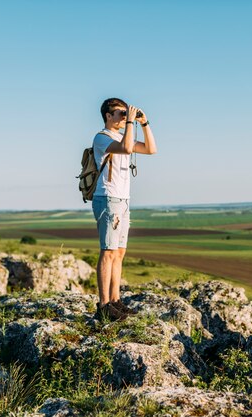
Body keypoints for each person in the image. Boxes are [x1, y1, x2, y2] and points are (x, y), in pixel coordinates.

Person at [91, 98, 157, 321]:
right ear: (108, 116)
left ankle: (115, 300)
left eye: (124, 113)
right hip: (108, 198)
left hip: (123, 200)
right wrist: (130, 122)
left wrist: (144, 123)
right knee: (108, 251)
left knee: (119, 252)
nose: (122, 117)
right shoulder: (102, 137)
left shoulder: (121, 135)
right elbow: (127, 148)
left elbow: (151, 149)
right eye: (119, 113)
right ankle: (104, 305)